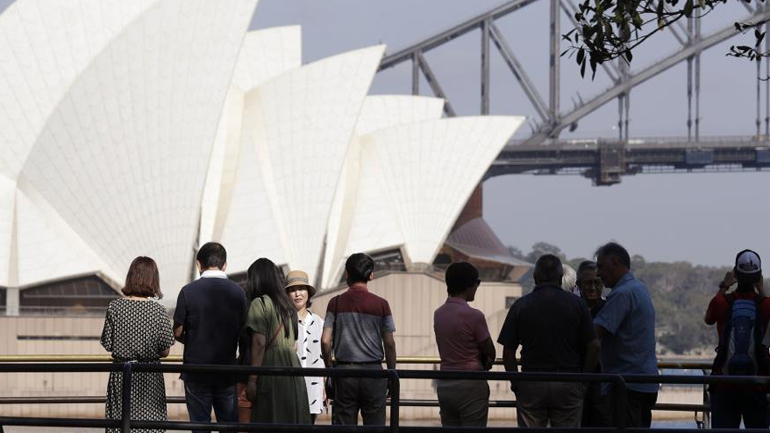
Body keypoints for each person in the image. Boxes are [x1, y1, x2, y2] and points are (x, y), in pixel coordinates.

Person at [497, 254, 599, 428]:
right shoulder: (577, 305)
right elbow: (594, 345)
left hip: (531, 381)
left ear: (535, 277)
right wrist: (583, 383)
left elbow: (508, 352)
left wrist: (516, 383)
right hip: (568, 382)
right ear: (561, 278)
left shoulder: (521, 305)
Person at [173, 242, 247, 432]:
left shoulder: (187, 291)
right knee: (229, 425)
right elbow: (244, 331)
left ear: (198, 264)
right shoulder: (238, 293)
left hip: (196, 370)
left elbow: (177, 332)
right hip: (227, 371)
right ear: (225, 265)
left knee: (199, 426)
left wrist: (194, 338)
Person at [321, 253, 397, 426]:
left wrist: (329, 368)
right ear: (371, 275)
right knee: (375, 425)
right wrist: (391, 373)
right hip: (374, 374)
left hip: (345, 373)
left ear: (346, 274)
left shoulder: (335, 302)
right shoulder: (382, 304)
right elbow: (390, 343)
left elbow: (325, 341)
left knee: (344, 425)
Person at [101, 256, 174, 433]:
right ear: (153, 279)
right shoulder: (158, 311)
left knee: (121, 422)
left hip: (122, 374)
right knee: (150, 423)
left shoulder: (115, 307)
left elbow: (108, 344)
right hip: (149, 375)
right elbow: (165, 351)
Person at [594, 242, 659, 428]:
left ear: (614, 262)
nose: (598, 274)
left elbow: (594, 333)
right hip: (644, 382)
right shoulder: (639, 289)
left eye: (600, 266)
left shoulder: (622, 295)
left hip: (626, 385)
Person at [704, 249, 770, 429]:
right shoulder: (767, 305)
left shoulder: (720, 302)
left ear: (736, 274)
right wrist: (761, 288)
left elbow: (708, 319)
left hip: (725, 384)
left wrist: (724, 285)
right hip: (758, 386)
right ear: (759, 275)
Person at [244, 259, 311, 424]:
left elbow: (259, 344)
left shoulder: (259, 304)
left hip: (270, 366)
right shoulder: (287, 306)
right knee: (291, 416)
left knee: (271, 415)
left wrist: (252, 380)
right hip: (293, 367)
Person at [433, 262, 495, 427]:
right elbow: (491, 351)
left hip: (445, 384)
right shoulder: (474, 316)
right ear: (469, 285)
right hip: (471, 384)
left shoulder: (438, 314)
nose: (477, 287)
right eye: (477, 283)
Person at [285, 269, 326, 423]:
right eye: (293, 290)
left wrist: (324, 387)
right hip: (288, 387)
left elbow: (324, 358)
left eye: (301, 289)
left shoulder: (319, 323)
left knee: (309, 426)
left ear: (308, 292)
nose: (298, 294)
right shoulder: (283, 322)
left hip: (313, 388)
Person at [576, 260, 610, 428]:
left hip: (602, 381)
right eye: (588, 283)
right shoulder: (572, 309)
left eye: (597, 282)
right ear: (578, 285)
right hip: (576, 379)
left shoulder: (610, 309)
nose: (593, 288)